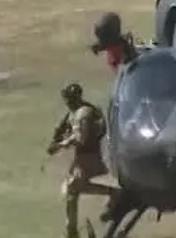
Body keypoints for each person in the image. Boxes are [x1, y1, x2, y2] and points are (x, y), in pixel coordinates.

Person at [48, 83, 118, 238]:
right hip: (84, 156)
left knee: (72, 187)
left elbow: (81, 138)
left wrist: (61, 145)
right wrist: (56, 138)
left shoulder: (84, 113)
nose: (66, 102)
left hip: (89, 156)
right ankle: (71, 230)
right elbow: (62, 127)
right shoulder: (76, 111)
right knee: (71, 190)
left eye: (67, 99)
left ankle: (114, 193)